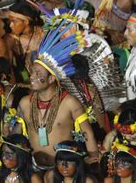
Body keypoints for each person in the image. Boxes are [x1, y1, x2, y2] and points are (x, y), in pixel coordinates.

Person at [18, 17, 99, 167]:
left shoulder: (69, 103)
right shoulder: (25, 103)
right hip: (34, 168)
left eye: (38, 74)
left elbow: (87, 133)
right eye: (32, 72)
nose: (32, 77)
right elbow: (17, 136)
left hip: (62, 169)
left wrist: (93, 159)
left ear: (50, 79)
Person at [5, 0, 44, 83]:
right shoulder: (11, 40)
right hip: (24, 82)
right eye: (10, 21)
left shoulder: (43, 34)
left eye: (14, 21)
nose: (10, 25)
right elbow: (9, 68)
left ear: (26, 22)